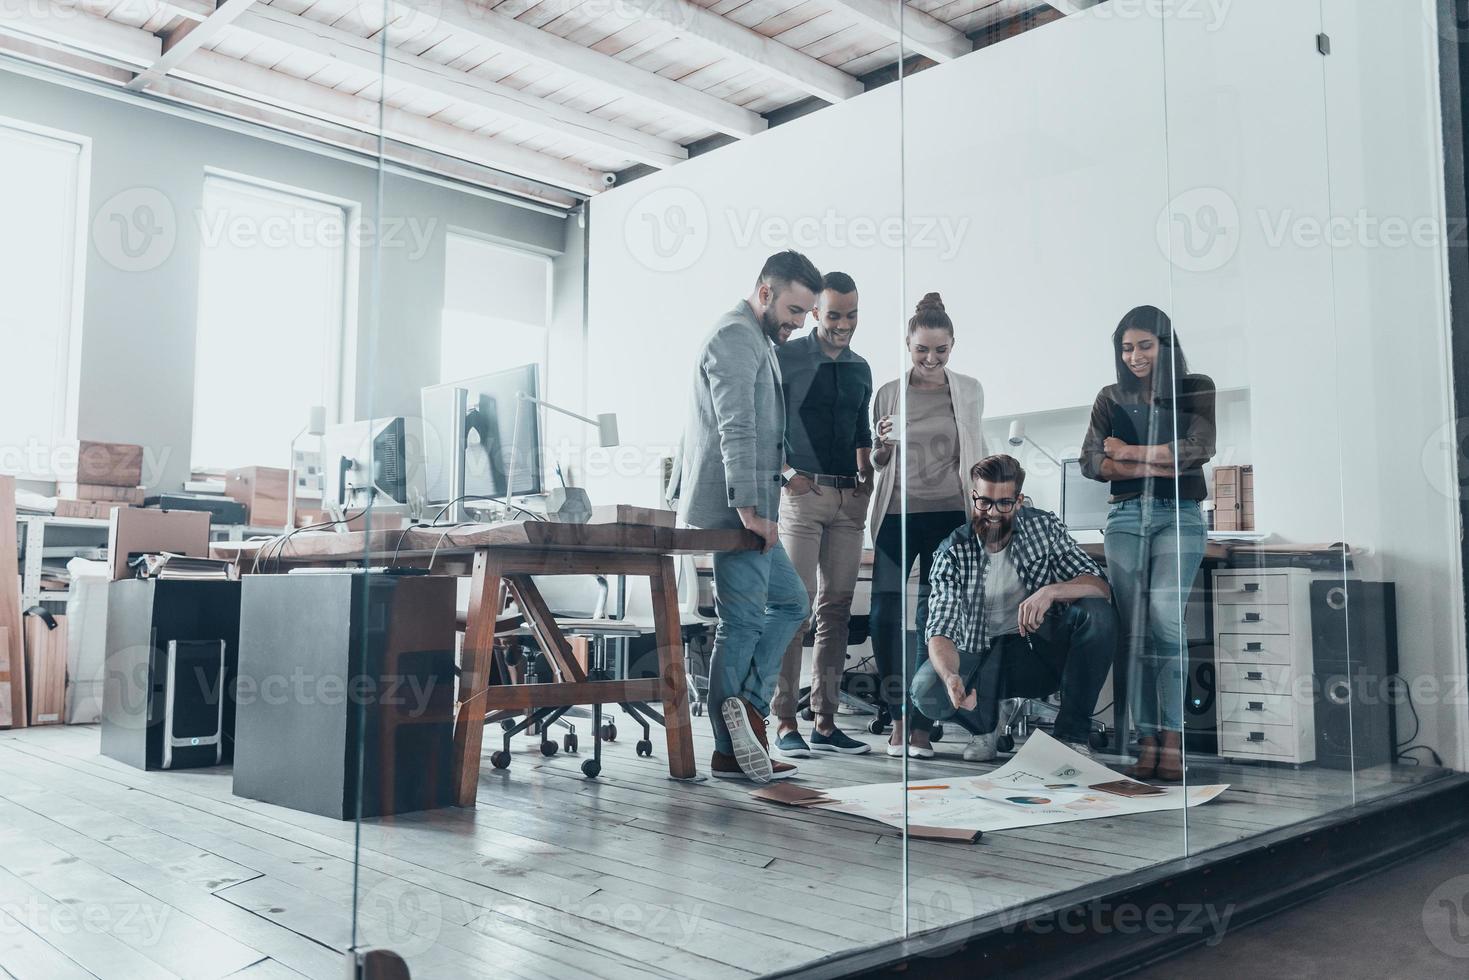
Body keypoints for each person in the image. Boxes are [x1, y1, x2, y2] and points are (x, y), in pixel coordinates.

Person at [668, 250, 820, 783]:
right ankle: (731, 746)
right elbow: (735, 427)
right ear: (764, 292)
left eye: (806, 314)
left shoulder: (757, 339)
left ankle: (746, 716)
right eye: (795, 310)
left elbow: (756, 429)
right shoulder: (735, 335)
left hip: (754, 505)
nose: (799, 323)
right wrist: (750, 510)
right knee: (745, 621)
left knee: (793, 602)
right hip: (740, 512)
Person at [1080, 305, 1216, 782]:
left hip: (1178, 515)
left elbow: (1197, 451)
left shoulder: (1195, 388)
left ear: (1165, 344)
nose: (1134, 356)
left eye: (1143, 345)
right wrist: (1160, 461)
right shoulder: (1110, 396)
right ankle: (1148, 740)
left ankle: (1174, 740)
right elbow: (1092, 463)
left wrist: (1129, 453)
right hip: (1124, 517)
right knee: (1133, 630)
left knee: (1164, 619)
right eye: (1126, 347)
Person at [909, 455, 1118, 761]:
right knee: (928, 689)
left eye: (1004, 503)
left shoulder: (1043, 528)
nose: (992, 513)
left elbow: (1100, 586)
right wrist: (952, 676)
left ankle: (1070, 736)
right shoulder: (951, 552)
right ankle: (984, 723)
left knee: (1097, 615)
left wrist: (1051, 592)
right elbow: (941, 630)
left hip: (1036, 653)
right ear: (973, 497)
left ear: (1019, 501)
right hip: (981, 659)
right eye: (984, 503)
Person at [867, 293, 986, 759]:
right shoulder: (889, 393)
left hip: (948, 517)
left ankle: (919, 726)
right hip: (896, 515)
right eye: (922, 350)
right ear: (908, 345)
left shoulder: (970, 390)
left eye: (941, 350)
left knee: (930, 619)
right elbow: (879, 462)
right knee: (883, 616)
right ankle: (895, 716)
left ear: (953, 345)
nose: (931, 359)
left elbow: (974, 453)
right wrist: (879, 451)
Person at [770, 271, 874, 758]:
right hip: (802, 495)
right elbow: (765, 421)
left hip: (847, 500)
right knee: (796, 607)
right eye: (834, 315)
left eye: (851, 315)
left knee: (836, 609)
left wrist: (867, 480)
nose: (843, 324)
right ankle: (784, 719)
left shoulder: (860, 368)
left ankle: (825, 722)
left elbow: (860, 432)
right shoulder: (788, 356)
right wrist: (787, 473)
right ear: (816, 313)